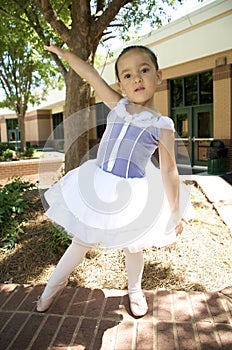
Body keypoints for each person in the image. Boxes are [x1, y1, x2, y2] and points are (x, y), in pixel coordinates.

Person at [36, 43, 190, 317]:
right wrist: (65, 54)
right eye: (128, 75)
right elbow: (91, 74)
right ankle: (51, 288)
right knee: (81, 241)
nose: (137, 78)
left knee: (134, 245)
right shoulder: (117, 105)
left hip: (132, 191)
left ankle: (134, 290)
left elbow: (168, 171)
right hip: (97, 183)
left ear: (159, 75)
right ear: (120, 84)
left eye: (144, 70)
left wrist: (176, 212)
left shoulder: (161, 124)